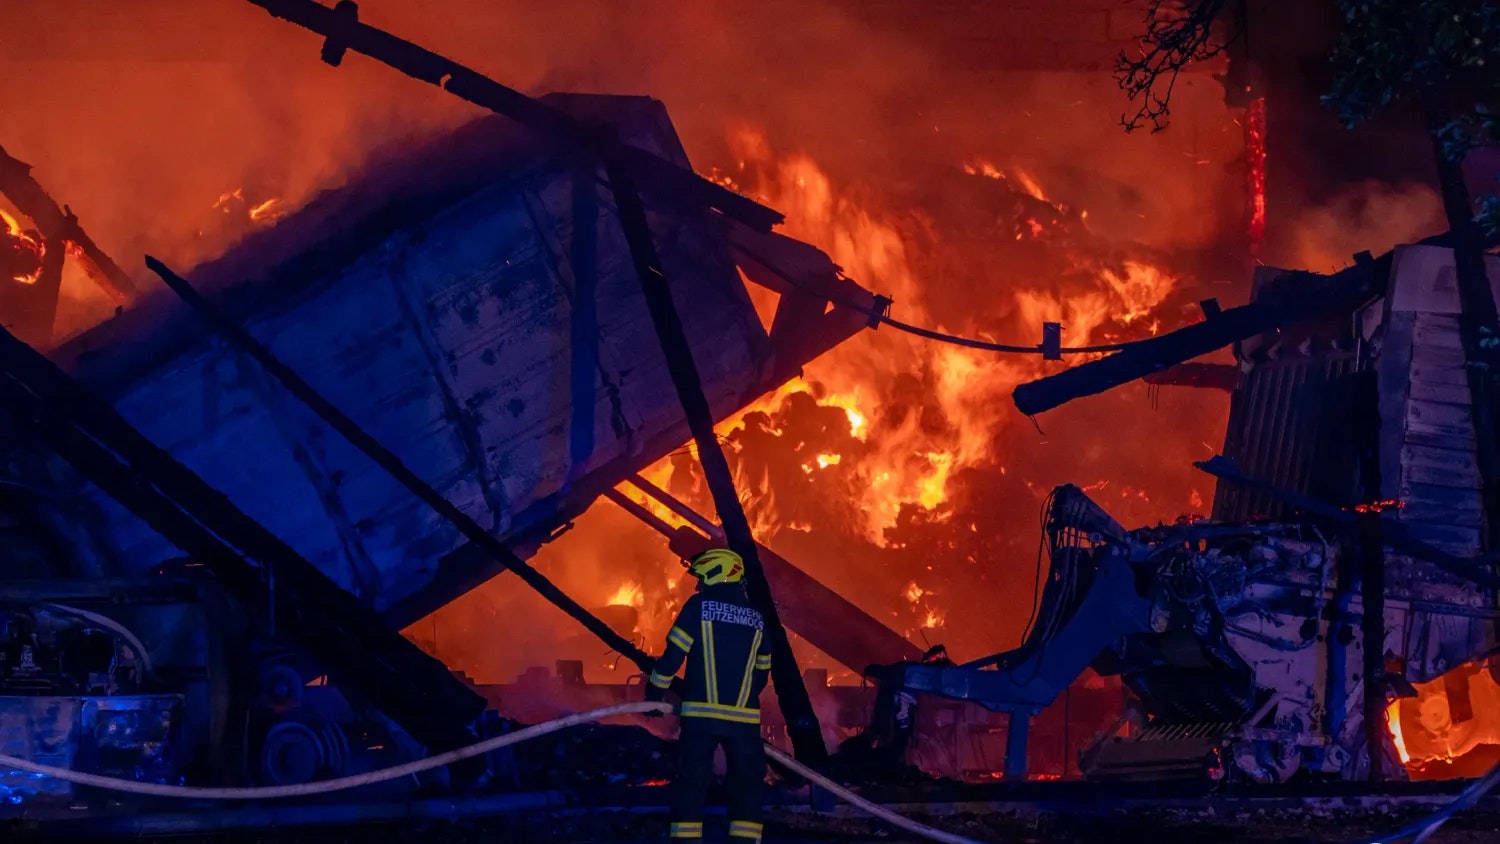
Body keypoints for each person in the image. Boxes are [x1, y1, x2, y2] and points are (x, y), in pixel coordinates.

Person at [645, 548, 772, 843]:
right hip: (744, 724)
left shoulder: (698, 607)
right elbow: (762, 673)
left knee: (692, 785)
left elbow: (672, 657)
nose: (698, 584)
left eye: (702, 577)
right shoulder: (758, 619)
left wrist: (655, 694)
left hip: (700, 719)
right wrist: (740, 700)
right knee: (747, 787)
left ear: (718, 573)